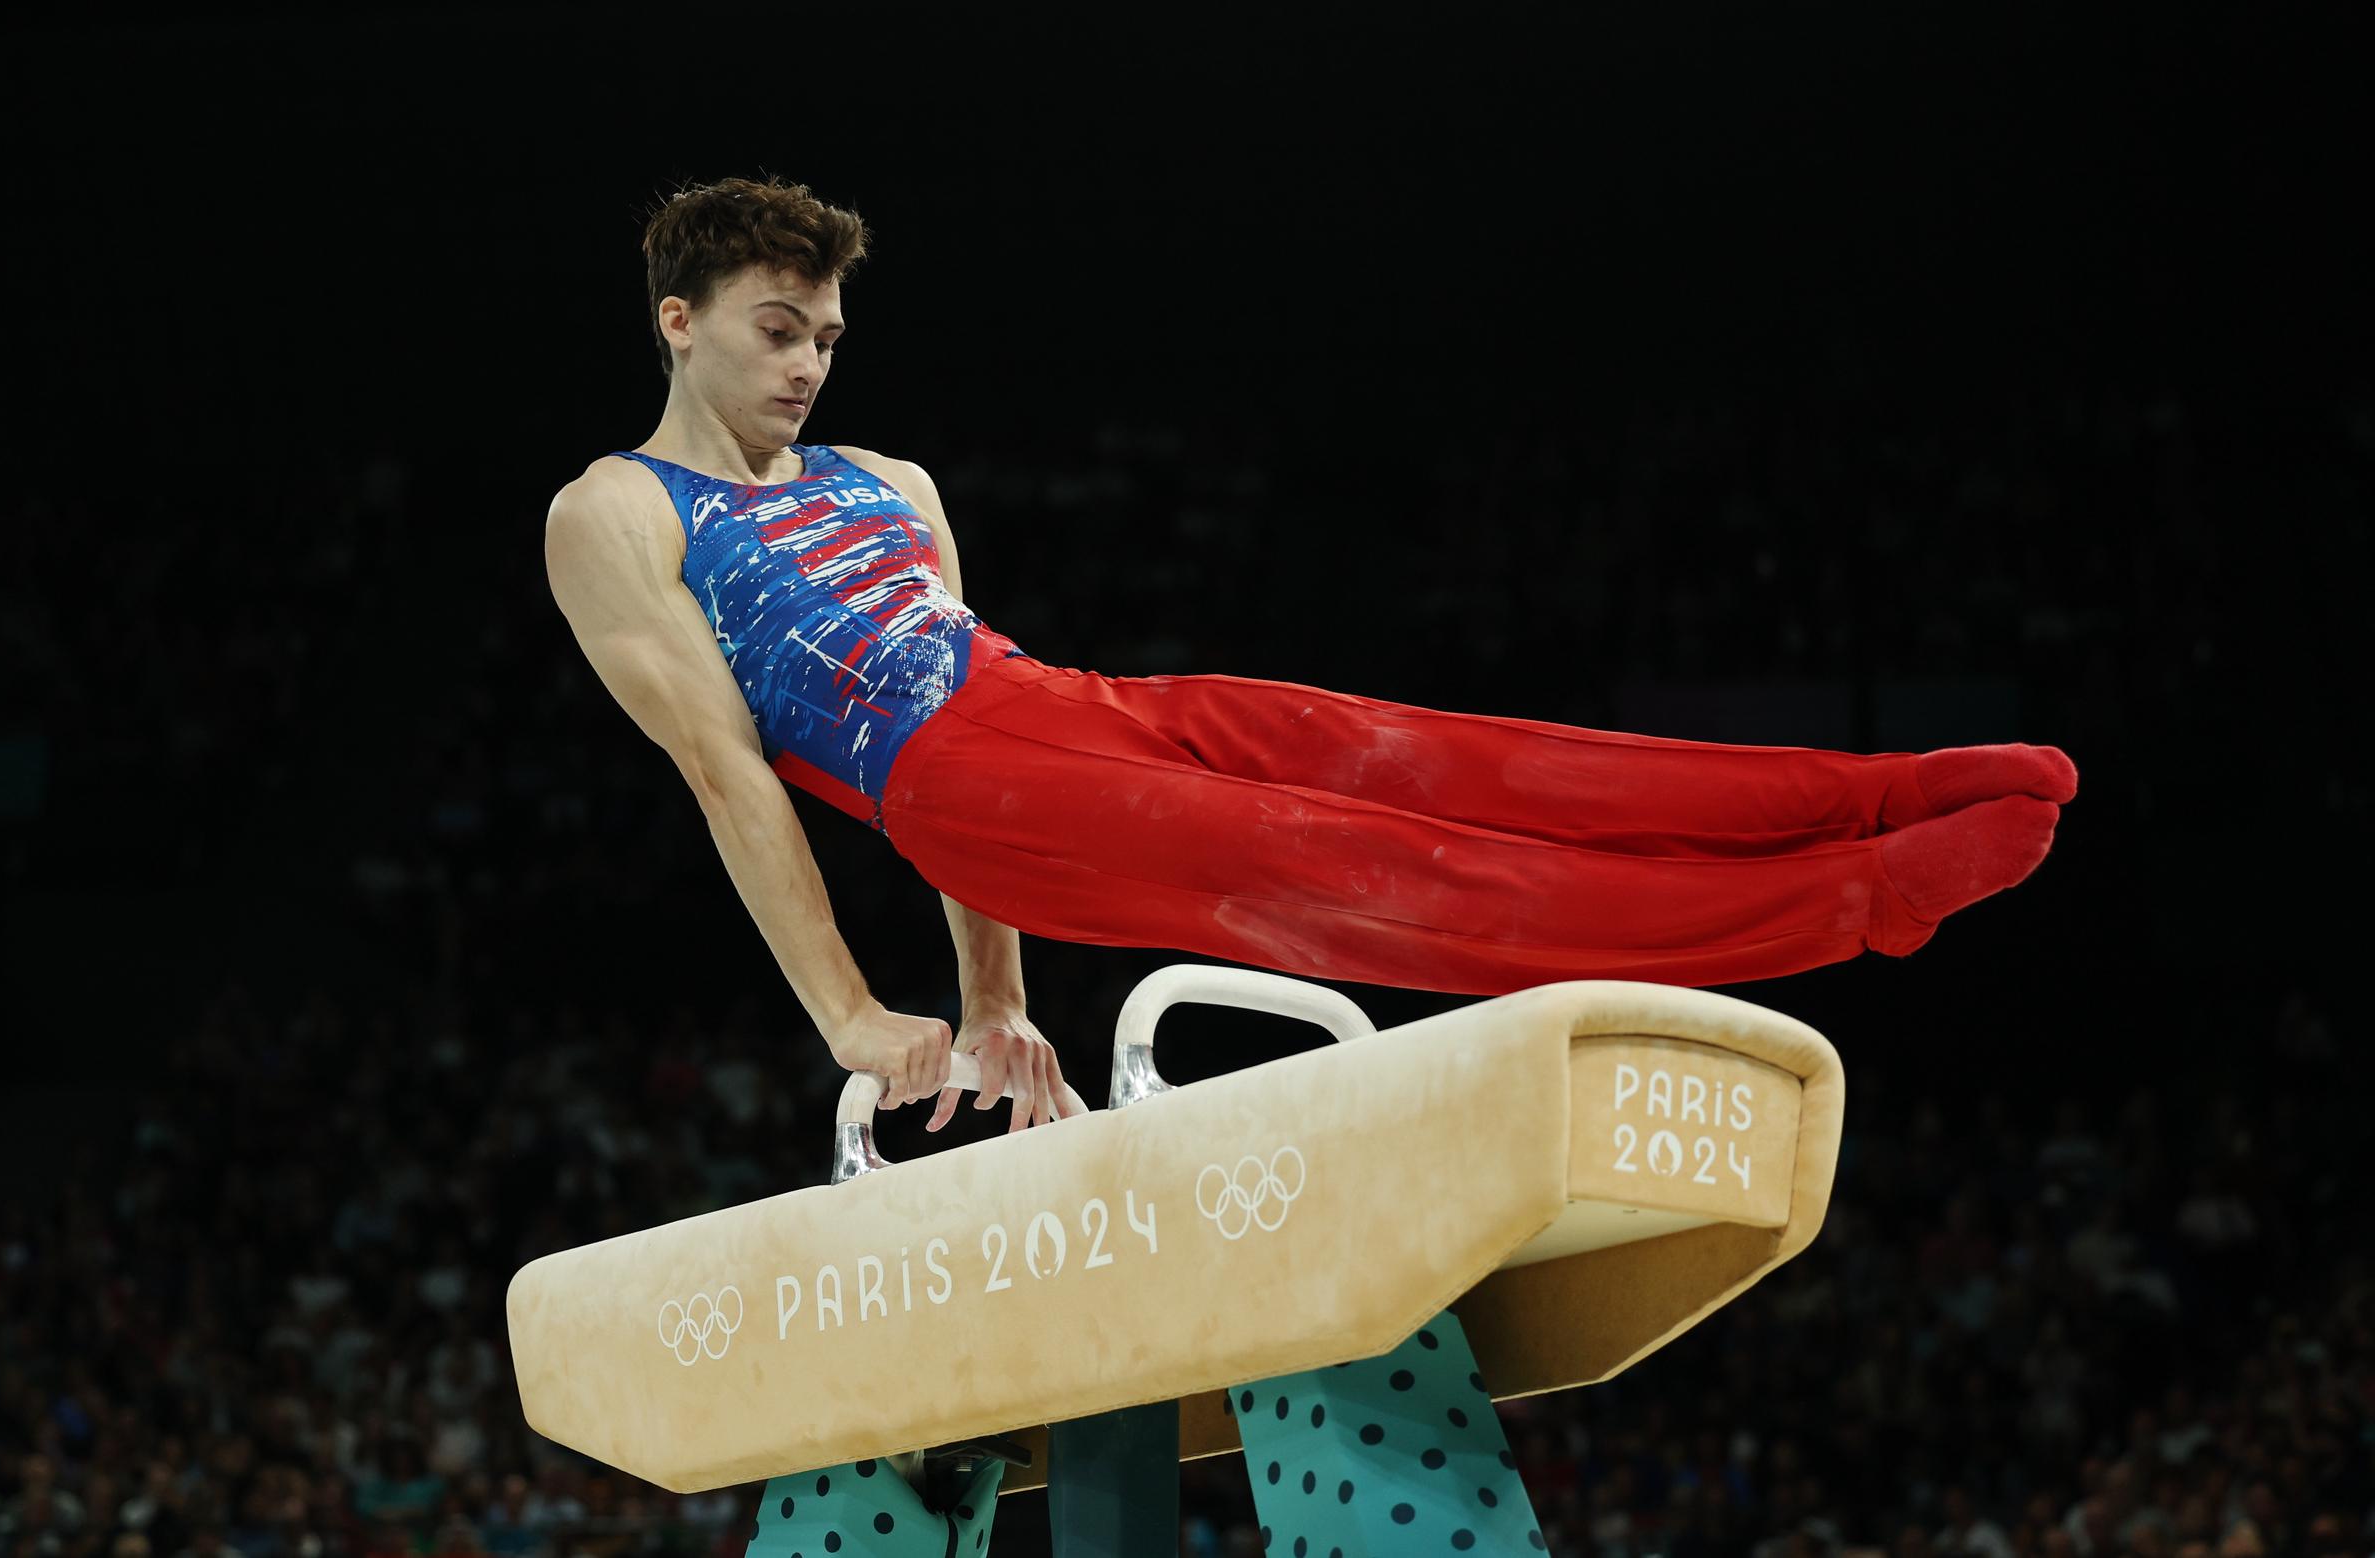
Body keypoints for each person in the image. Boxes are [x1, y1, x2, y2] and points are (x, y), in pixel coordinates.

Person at [542, 176, 2075, 1135]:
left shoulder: (894, 484)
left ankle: (1877, 791)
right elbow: (727, 775)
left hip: (1059, 710)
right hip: (947, 777)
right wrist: (853, 1017)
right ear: (678, 323)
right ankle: (1858, 901)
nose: (807, 364)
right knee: (1384, 870)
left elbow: (992, 761)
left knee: (1445, 755)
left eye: (824, 334)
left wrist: (993, 997)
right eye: (773, 330)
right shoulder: (616, 510)